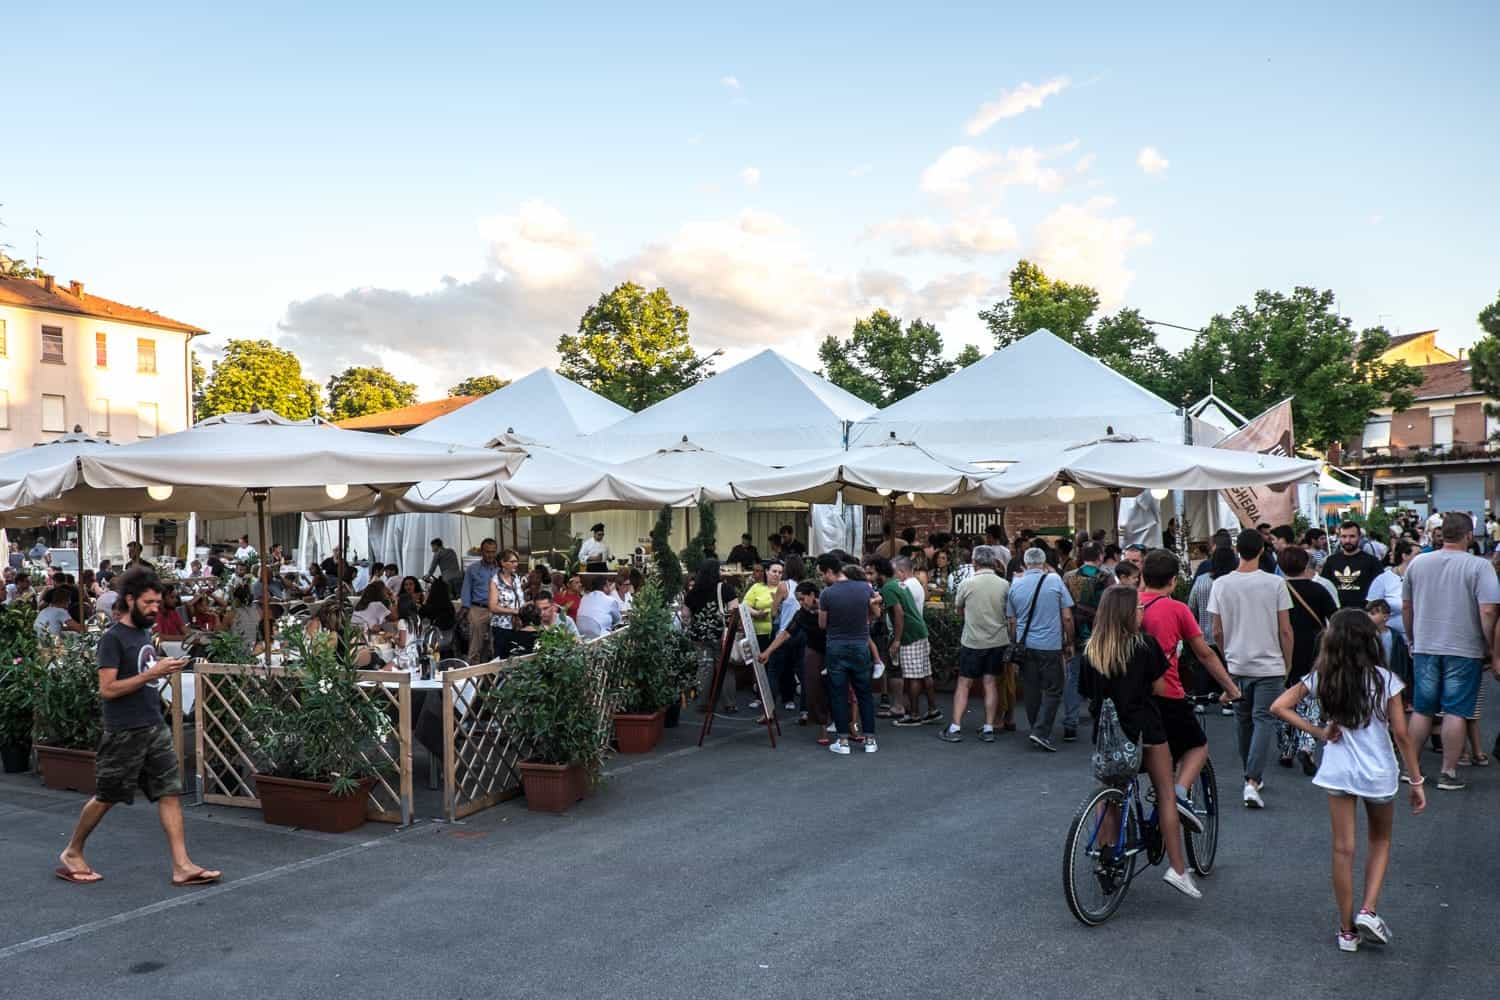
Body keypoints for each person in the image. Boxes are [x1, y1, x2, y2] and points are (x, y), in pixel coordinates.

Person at [1271, 609, 1426, 952]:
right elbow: (1401, 733)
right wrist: (1415, 780)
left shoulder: (1323, 676)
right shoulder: (1386, 680)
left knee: (1343, 849)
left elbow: (1279, 706)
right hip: (1378, 771)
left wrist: (1319, 732)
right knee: (1380, 841)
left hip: (1338, 769)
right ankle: (1368, 909)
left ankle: (1346, 931)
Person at [55, 569, 220, 887]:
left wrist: (162, 668)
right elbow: (108, 689)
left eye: (158, 602)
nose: (155, 608)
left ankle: (182, 865)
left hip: (152, 725)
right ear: (130, 600)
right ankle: (72, 851)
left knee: (169, 792)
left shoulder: (143, 634)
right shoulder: (113, 638)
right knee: (107, 795)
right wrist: (152, 673)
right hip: (125, 730)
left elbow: (142, 671)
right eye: (149, 602)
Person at [1077, 585, 1203, 900]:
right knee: (1165, 795)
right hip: (1147, 732)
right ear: (1126, 614)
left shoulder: (1091, 649)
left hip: (1108, 737)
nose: (1142, 612)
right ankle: (1177, 868)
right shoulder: (1144, 646)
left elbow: (1086, 692)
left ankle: (1107, 856)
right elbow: (1160, 688)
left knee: (1110, 797)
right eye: (1138, 608)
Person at [1139, 549, 1241, 834]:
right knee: (1196, 746)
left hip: (1127, 697)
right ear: (1173, 581)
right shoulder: (1176, 609)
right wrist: (1230, 687)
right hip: (1166, 694)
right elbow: (1205, 654)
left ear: (1143, 577)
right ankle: (1180, 795)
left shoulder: (1126, 604)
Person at [1402, 512, 1500, 790]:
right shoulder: (1479, 567)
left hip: (1425, 644)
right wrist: (1491, 648)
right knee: (1456, 710)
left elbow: (1407, 606)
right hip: (1464, 646)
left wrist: (1412, 637)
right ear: (1469, 535)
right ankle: (1448, 772)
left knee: (1422, 709)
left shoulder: (1418, 564)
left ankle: (1412, 769)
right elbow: (1489, 609)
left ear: (1442, 533)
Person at [1209, 529, 1294, 809]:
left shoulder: (1221, 584)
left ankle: (1250, 774)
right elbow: (1285, 629)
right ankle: (1252, 780)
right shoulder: (1275, 584)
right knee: (1263, 720)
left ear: (1237, 550)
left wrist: (1227, 657)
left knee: (1242, 720)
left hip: (1236, 662)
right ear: (1261, 550)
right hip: (1269, 664)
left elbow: (1217, 630)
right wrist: (1288, 661)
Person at [1006, 547, 1075, 752]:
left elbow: (1012, 620)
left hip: (1026, 645)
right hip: (1050, 645)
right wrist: (1069, 641)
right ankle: (1041, 731)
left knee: (1031, 688)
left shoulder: (1015, 585)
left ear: (1026, 563)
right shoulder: (1054, 581)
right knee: (1053, 688)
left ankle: (1037, 727)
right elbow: (1067, 616)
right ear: (1044, 563)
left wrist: (1015, 641)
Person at [942, 545, 1012, 743]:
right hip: (998, 639)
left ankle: (955, 726)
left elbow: (958, 610)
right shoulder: (1004, 584)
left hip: (973, 640)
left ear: (974, 562)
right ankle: (989, 727)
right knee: (990, 683)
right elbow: (1009, 612)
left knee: (964, 683)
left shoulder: (967, 583)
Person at [1278, 545, 1338, 774]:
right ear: (1306, 565)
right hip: (1315, 650)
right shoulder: (1319, 591)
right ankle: (1307, 745)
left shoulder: (1277, 589)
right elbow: (1334, 618)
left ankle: (1286, 749)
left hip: (1284, 651)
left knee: (1286, 699)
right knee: (1311, 699)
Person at [817, 553, 878, 755]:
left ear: (829, 571)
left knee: (838, 694)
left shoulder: (827, 594)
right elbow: (876, 612)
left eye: (821, 574)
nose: (821, 578)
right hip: (861, 645)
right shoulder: (865, 588)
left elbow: (822, 624)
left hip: (836, 647)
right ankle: (870, 739)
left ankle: (843, 741)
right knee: (864, 694)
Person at [759, 581, 831, 741]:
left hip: (832, 651)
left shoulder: (827, 607)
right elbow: (786, 633)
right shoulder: (801, 614)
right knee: (815, 687)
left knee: (836, 688)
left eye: (802, 598)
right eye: (798, 600)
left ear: (813, 595)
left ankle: (847, 726)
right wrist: (768, 652)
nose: (801, 603)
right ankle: (823, 727)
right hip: (814, 651)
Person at [1062, 541, 1115, 741]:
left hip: (1074, 633)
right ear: (1100, 556)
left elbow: (1065, 610)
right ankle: (1101, 719)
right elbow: (1112, 606)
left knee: (1073, 678)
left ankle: (1070, 723)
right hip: (1099, 634)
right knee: (1102, 677)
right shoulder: (1106, 578)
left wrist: (1066, 637)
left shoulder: (1068, 577)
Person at [876, 557, 937, 726]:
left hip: (908, 635)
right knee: (925, 674)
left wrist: (896, 639)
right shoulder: (910, 584)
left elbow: (899, 614)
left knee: (912, 676)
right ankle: (932, 710)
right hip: (919, 631)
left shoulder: (893, 587)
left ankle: (914, 714)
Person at [1366, 540, 1417, 646]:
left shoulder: (1424, 578)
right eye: (1417, 554)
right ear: (1405, 556)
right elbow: (1372, 609)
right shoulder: (1383, 579)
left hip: (1419, 637)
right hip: (1392, 639)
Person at [1322, 522, 1385, 609]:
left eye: (1352, 536)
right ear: (1339, 537)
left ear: (1359, 537)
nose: (1347, 540)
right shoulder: (1331, 561)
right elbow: (1325, 586)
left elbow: (1380, 588)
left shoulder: (1372, 561)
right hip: (1338, 614)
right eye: (1344, 536)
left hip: (1363, 614)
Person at [460, 539, 499, 662]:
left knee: (495, 646)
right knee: (475, 647)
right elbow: (466, 590)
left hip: (497, 610)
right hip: (478, 609)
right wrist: (466, 610)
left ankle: (493, 677)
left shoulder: (500, 569)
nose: (490, 555)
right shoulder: (472, 569)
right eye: (487, 552)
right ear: (482, 552)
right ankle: (472, 677)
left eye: (493, 552)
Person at [486, 549, 526, 659]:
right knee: (501, 658)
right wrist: (514, 611)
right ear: (503, 563)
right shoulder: (495, 581)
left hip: (517, 625)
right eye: (512, 562)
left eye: (516, 561)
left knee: (517, 656)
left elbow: (519, 599)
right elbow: (493, 607)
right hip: (502, 627)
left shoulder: (516, 578)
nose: (515, 564)